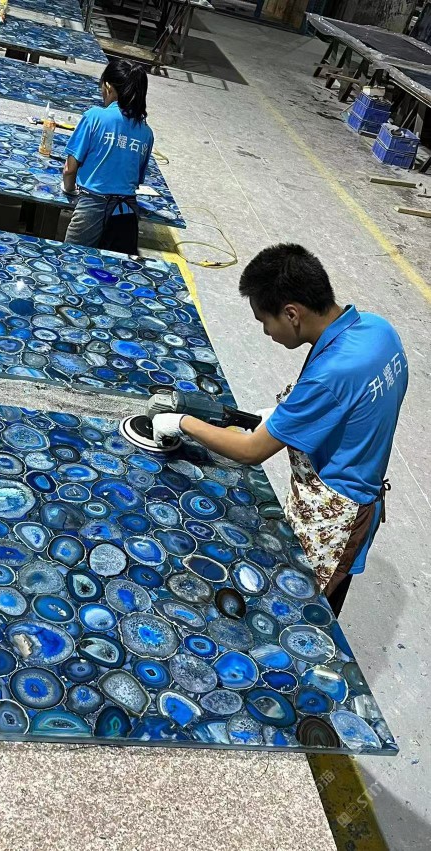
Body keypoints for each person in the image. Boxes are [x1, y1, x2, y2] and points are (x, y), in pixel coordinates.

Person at [152, 244, 408, 615]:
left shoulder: (329, 376)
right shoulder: (377, 330)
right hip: (359, 482)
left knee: (306, 613)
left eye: (264, 321)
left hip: (334, 514)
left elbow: (250, 451)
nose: (265, 331)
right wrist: (295, 416)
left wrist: (182, 423)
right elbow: (363, 403)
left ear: (291, 313)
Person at [62, 59, 154, 255]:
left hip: (92, 208)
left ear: (108, 87)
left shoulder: (94, 117)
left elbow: (69, 170)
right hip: (126, 214)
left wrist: (69, 190)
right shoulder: (146, 133)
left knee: (73, 260)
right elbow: (136, 179)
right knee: (114, 268)